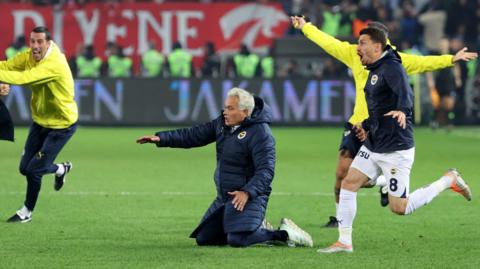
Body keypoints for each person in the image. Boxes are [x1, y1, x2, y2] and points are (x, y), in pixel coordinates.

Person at [291, 16, 478, 228]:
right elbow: (329, 42)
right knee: (342, 174)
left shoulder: (394, 61)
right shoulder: (355, 53)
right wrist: (305, 27)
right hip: (357, 124)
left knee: (362, 182)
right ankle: (344, 216)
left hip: (381, 128)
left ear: (379, 44)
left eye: (366, 42)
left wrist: (451, 59)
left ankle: (384, 184)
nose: (361, 47)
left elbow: (424, 63)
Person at [136, 87, 313, 248]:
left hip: (248, 197)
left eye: (230, 108)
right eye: (225, 107)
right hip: (225, 197)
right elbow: (194, 135)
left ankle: (285, 234)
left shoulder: (261, 134)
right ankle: (256, 227)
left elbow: (266, 171)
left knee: (237, 240)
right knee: (204, 239)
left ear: (245, 112)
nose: (225, 112)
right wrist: (162, 139)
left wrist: (247, 192)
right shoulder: (222, 124)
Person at [0, 26, 78, 223]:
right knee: (25, 168)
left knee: (34, 171)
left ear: (48, 43)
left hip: (61, 125)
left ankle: (26, 212)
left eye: (39, 42)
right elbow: (7, 67)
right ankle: (60, 169)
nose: (35, 46)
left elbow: (24, 78)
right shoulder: (29, 56)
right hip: (40, 121)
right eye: (32, 41)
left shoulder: (54, 63)